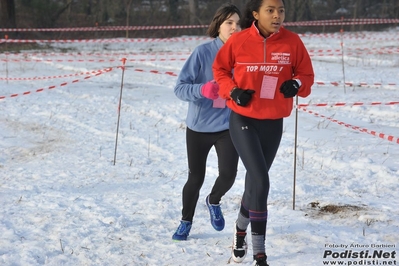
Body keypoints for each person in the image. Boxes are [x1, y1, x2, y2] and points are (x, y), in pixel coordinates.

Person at [212, 0, 314, 265]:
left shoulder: (292, 42)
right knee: (261, 179)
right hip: (242, 119)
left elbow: (306, 74)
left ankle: (239, 229)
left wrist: (296, 83)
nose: (277, 15)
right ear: (256, 14)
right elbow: (220, 70)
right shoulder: (239, 40)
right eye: (270, 10)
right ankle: (260, 253)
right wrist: (233, 91)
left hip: (273, 121)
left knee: (255, 184)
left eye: (280, 10)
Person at [172, 3, 241, 241]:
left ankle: (213, 200)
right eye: (229, 23)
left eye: (238, 23)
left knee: (229, 174)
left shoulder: (243, 54)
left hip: (227, 127)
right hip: (199, 128)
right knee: (195, 178)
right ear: (218, 25)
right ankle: (185, 222)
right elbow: (179, 89)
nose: (234, 27)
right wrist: (203, 89)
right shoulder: (202, 52)